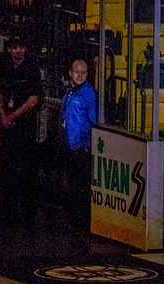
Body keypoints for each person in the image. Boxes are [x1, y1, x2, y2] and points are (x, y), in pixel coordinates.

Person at [0, 36, 42, 218]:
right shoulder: (6, 68)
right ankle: (8, 205)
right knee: (7, 164)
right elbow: (0, 93)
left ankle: (26, 209)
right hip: (8, 125)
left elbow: (33, 99)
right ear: (9, 49)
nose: (17, 51)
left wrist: (13, 116)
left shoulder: (32, 70)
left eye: (21, 47)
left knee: (25, 165)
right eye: (14, 47)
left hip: (24, 125)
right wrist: (3, 116)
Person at [59, 58, 97, 230]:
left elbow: (93, 119)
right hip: (68, 145)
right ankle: (73, 219)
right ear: (70, 73)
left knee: (80, 186)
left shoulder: (88, 94)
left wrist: (85, 143)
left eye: (83, 73)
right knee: (72, 184)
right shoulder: (70, 92)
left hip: (81, 147)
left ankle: (81, 223)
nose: (80, 75)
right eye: (77, 72)